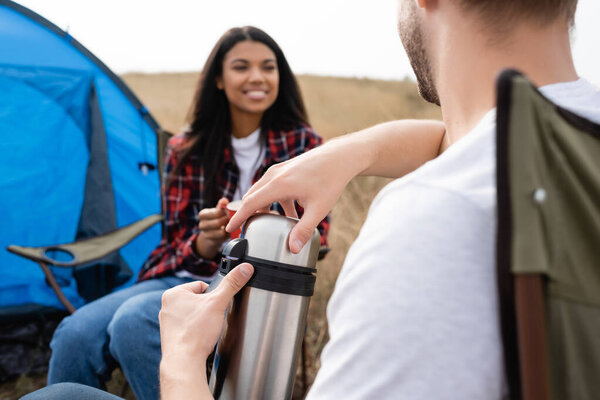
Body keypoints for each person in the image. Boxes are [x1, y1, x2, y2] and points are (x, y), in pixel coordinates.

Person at [25, 0, 600, 398]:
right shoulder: (557, 153)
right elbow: (482, 141)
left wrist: (179, 365)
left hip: (247, 282)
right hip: (186, 271)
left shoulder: (435, 217)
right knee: (81, 341)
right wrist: (361, 150)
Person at [45, 26, 330, 400]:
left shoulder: (305, 146)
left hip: (252, 285)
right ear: (218, 79)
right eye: (241, 67)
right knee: (74, 332)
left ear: (281, 77)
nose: (257, 77)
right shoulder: (187, 148)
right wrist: (206, 240)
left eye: (268, 67)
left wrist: (264, 229)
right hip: (180, 274)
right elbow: (175, 241)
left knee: (134, 321)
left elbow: (318, 233)